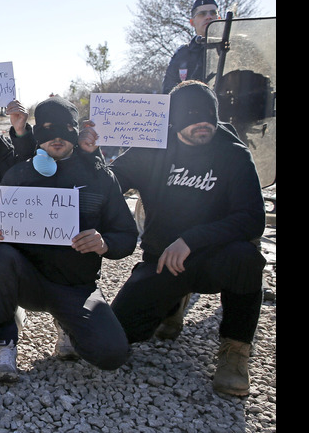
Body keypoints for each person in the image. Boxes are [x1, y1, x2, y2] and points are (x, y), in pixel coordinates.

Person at [104, 81, 266, 396]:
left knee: (247, 259)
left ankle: (235, 350)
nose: (202, 124)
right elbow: (111, 182)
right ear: (174, 121)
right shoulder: (151, 148)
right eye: (191, 117)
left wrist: (192, 239)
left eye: (209, 116)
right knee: (113, 337)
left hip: (216, 258)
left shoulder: (234, 155)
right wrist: (88, 154)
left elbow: (252, 219)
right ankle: (171, 305)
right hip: (163, 260)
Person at [0, 97, 138, 382]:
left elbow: (126, 235)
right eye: (48, 128)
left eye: (65, 128)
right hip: (27, 281)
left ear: (77, 132)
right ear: (37, 132)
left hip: (76, 286)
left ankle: (67, 324)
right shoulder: (18, 174)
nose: (57, 137)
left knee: (111, 353)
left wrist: (105, 244)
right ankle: (5, 339)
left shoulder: (100, 177)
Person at [161, 0, 221, 94]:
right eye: (202, 14)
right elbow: (168, 91)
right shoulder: (182, 54)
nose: (209, 17)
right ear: (192, 22)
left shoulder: (231, 49)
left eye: (213, 13)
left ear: (219, 19)